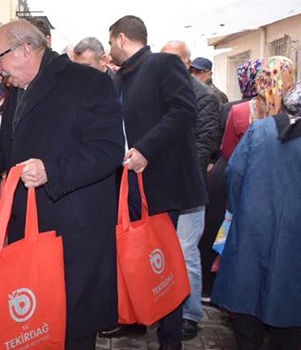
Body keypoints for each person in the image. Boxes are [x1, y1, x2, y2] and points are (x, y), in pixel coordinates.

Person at [0, 19, 124, 349]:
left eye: (0, 58)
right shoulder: (19, 89)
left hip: (73, 231)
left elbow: (109, 149)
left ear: (25, 49)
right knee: (33, 324)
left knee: (71, 329)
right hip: (30, 228)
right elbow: (3, 148)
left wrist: (51, 171)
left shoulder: (86, 82)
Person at [108, 16, 207, 350]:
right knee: (136, 257)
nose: (110, 50)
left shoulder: (162, 64)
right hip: (131, 185)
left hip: (163, 184)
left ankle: (169, 338)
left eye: (110, 43)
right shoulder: (120, 78)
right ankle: (136, 320)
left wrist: (145, 150)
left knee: (164, 262)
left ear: (121, 39)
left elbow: (184, 111)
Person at [211, 79, 301, 350]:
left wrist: (244, 211)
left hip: (252, 229)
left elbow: (234, 174)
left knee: (247, 306)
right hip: (298, 241)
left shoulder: (259, 130)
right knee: (290, 315)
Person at [161, 40, 221, 341]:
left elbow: (204, 144)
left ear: (186, 63)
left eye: (173, 59)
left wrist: (176, 175)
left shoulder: (204, 97)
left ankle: (190, 313)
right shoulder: (158, 91)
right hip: (160, 189)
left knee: (185, 253)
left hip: (187, 191)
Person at [200, 58, 262, 303]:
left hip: (228, 177)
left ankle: (211, 288)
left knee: (217, 234)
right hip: (258, 183)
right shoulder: (287, 116)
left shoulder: (235, 109)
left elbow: (225, 147)